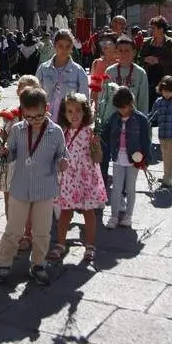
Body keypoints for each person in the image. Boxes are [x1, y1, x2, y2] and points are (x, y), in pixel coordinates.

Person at [0, 87, 68, 284]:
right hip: (20, 187)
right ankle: (3, 263)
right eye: (29, 117)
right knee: (14, 229)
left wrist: (63, 161)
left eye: (38, 116)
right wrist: (5, 151)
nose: (34, 120)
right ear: (22, 112)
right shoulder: (18, 129)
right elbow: (12, 152)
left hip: (44, 188)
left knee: (42, 231)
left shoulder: (56, 131)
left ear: (47, 108)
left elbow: (62, 153)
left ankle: (38, 264)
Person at [50, 92, 106, 263]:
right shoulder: (63, 132)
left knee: (89, 212)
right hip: (68, 180)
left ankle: (90, 245)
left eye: (78, 111)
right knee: (65, 212)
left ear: (85, 112)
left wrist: (96, 145)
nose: (74, 115)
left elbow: (98, 159)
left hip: (86, 179)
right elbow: (58, 155)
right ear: (64, 113)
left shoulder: (90, 132)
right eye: (69, 111)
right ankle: (60, 243)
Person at [0, 74, 40, 251]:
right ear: (18, 92)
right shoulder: (10, 114)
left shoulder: (40, 114)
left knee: (27, 200)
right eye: (23, 91)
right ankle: (12, 232)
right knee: (9, 199)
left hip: (30, 164)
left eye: (31, 91)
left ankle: (27, 234)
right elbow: (5, 137)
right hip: (11, 162)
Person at [102, 86, 152, 229]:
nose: (121, 111)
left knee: (130, 187)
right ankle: (114, 215)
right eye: (119, 108)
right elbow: (105, 134)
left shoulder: (141, 119)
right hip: (118, 157)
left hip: (134, 159)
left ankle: (128, 215)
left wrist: (146, 159)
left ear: (131, 104)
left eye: (124, 107)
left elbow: (146, 140)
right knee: (116, 188)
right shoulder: (114, 118)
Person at [35, 29, 90, 120]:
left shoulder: (78, 71)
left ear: (72, 47)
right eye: (60, 46)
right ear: (54, 45)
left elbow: (84, 101)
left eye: (68, 46)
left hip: (68, 121)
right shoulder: (43, 69)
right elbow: (35, 94)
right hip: (45, 120)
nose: (64, 50)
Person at [149, 76, 172, 191]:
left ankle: (168, 178)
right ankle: (166, 175)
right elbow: (152, 115)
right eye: (164, 91)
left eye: (169, 91)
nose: (166, 94)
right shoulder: (159, 101)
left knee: (171, 156)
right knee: (165, 156)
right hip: (162, 134)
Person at [138, 16, 172, 113]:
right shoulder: (146, 42)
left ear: (161, 29)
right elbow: (139, 58)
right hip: (149, 77)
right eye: (150, 27)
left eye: (153, 28)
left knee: (166, 105)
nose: (151, 30)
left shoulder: (171, 43)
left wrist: (158, 60)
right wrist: (145, 59)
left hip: (166, 77)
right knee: (150, 104)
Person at [106, 36, 149, 113]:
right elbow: (104, 96)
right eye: (120, 51)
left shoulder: (140, 73)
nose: (123, 54)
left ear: (134, 52)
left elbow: (143, 99)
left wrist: (143, 120)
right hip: (113, 116)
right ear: (116, 52)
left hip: (133, 117)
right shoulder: (110, 71)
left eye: (127, 51)